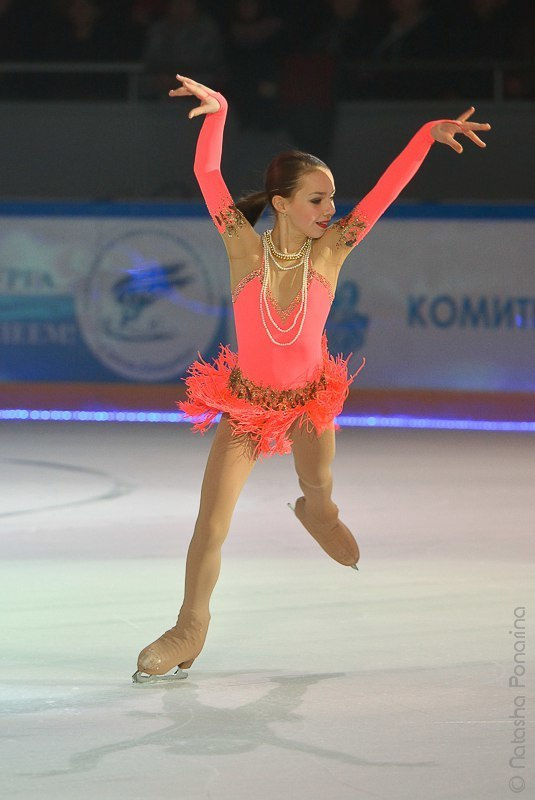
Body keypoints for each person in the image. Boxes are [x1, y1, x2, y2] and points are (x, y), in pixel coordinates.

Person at [133, 74, 490, 682]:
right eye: (318, 200)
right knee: (210, 522)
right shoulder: (242, 248)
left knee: (318, 486)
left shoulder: (334, 251)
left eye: (331, 199)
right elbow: (209, 179)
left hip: (309, 403)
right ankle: (190, 626)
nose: (332, 210)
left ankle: (317, 513)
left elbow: (381, 195)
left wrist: (424, 138)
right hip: (245, 406)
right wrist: (218, 112)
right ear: (281, 203)